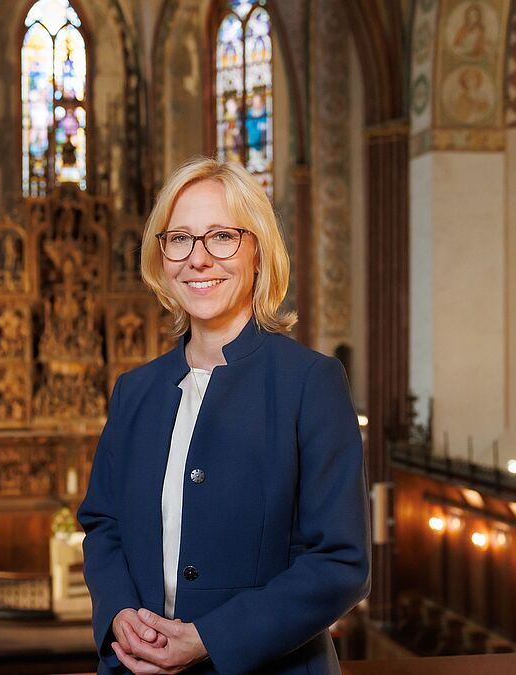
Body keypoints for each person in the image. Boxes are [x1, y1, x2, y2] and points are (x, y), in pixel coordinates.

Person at [77, 157, 370, 674]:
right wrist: (119, 612)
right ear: (161, 254)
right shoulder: (135, 391)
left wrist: (208, 638)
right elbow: (104, 525)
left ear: (257, 251)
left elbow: (341, 563)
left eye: (221, 237)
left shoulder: (310, 383)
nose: (198, 259)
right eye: (181, 238)